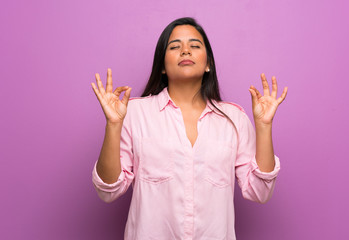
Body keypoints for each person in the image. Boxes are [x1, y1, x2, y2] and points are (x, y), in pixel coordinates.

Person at [91, 17, 288, 240]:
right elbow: (108, 191)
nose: (185, 51)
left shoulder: (234, 118)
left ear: (208, 64)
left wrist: (264, 126)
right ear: (162, 66)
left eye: (194, 46)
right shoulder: (134, 113)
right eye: (175, 47)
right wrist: (113, 124)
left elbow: (260, 192)